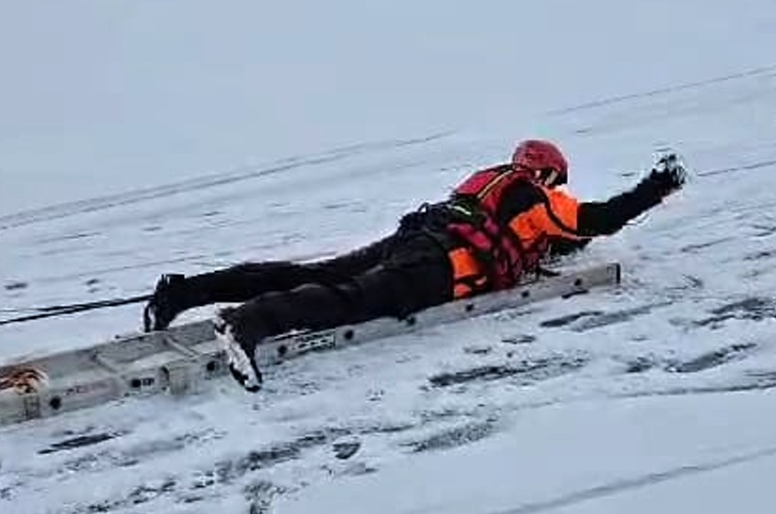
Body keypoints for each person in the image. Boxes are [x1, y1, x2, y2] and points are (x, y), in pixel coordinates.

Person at [142, 140, 688, 391]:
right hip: (443, 264)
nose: (561, 189)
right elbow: (596, 220)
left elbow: (551, 242)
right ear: (546, 173)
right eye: (559, 181)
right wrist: (656, 187)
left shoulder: (491, 184)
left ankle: (181, 293)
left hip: (418, 237)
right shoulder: (536, 196)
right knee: (353, 301)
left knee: (317, 274)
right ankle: (247, 323)